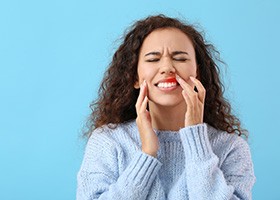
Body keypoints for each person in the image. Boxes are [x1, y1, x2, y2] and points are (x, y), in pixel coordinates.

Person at [76, 14, 256, 200]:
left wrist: (196, 140)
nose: (167, 67)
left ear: (198, 73)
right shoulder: (108, 142)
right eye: (153, 59)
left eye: (180, 58)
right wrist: (147, 154)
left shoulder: (231, 148)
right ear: (134, 77)